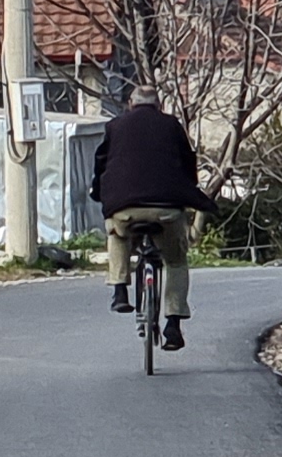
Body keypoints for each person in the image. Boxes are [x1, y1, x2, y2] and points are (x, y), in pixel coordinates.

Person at [91, 88, 215, 351]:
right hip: (166, 208)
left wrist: (99, 192)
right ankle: (173, 325)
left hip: (125, 206)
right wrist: (186, 189)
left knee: (117, 233)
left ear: (130, 104)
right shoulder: (171, 125)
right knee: (176, 261)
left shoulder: (115, 126)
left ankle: (120, 290)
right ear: (158, 106)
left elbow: (100, 164)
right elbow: (187, 163)